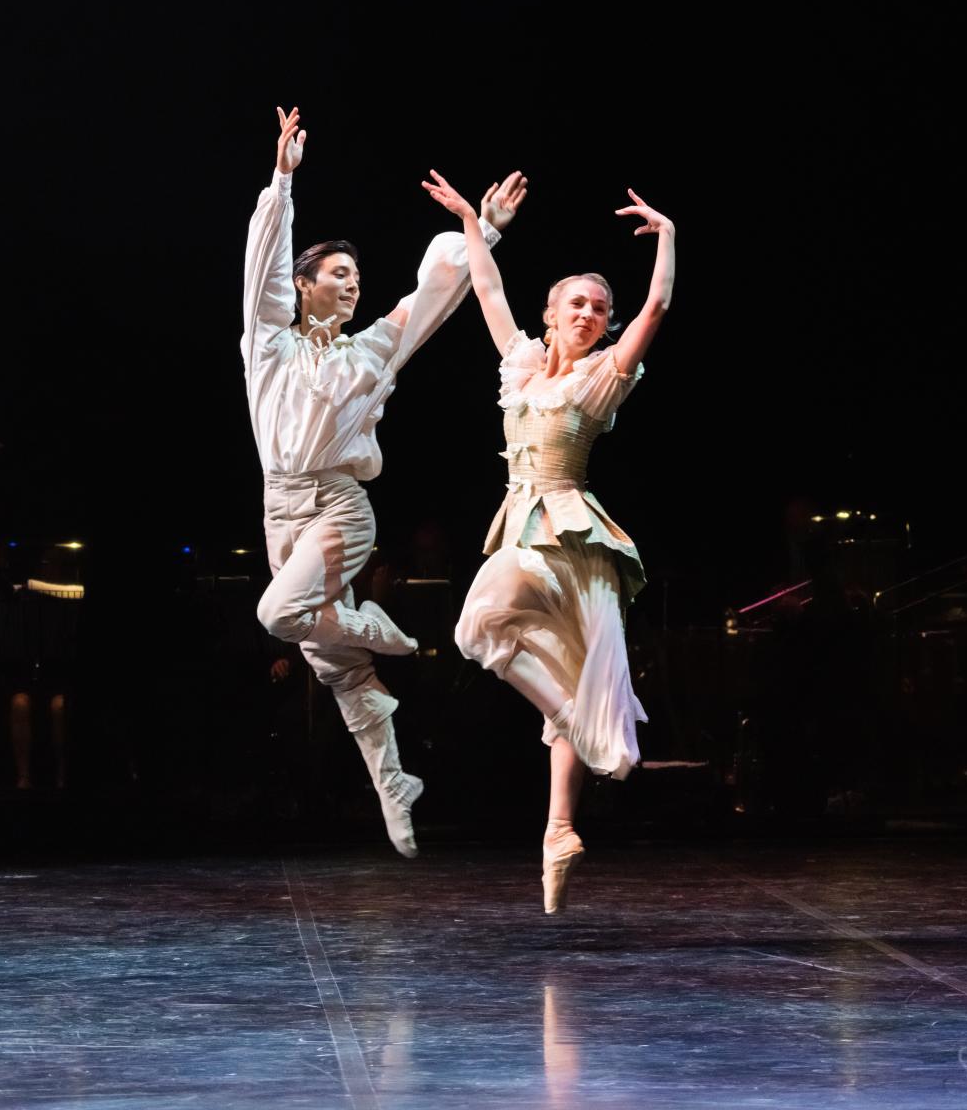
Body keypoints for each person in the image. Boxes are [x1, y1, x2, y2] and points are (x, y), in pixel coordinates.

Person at [242, 107, 527, 856]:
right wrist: (283, 179)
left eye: (358, 275)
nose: (353, 283)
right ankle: (393, 783)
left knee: (279, 615)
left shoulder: (370, 352)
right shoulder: (267, 342)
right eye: (338, 273)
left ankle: (374, 625)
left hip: (339, 506)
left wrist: (483, 232)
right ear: (304, 286)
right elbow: (264, 267)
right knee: (332, 665)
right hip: (281, 507)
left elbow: (432, 299)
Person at [427, 170, 675, 910]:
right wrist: (475, 222)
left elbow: (657, 303)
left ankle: (558, 829)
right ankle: (573, 731)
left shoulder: (602, 378)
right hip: (525, 530)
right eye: (578, 303)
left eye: (601, 307)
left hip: (572, 538)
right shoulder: (524, 369)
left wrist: (667, 237)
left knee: (556, 668)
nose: (591, 314)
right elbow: (488, 293)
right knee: (480, 629)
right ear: (551, 312)